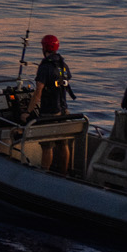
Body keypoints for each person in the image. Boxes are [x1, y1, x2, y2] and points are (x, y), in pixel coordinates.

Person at [31, 34, 74, 171]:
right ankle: (63, 173)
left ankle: (44, 172)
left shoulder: (45, 67)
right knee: (63, 144)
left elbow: (38, 91)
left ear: (44, 48)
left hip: (49, 112)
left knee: (47, 146)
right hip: (63, 110)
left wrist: (27, 112)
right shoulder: (63, 65)